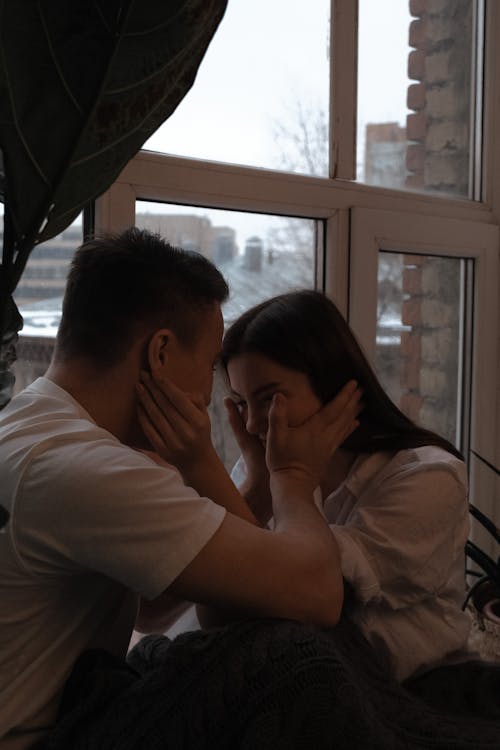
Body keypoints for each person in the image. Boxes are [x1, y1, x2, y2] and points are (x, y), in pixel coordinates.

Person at [0, 229, 362, 749]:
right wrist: (293, 477)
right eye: (212, 363)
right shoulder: (90, 469)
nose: (212, 394)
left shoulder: (31, 423)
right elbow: (318, 596)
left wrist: (252, 483)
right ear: (162, 352)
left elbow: (158, 605)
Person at [214, 289, 474, 684]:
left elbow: (305, 594)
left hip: (422, 688)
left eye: (269, 398)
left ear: (334, 384)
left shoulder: (429, 478)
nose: (252, 426)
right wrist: (256, 487)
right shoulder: (268, 468)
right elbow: (220, 597)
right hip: (318, 689)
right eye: (243, 404)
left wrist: (290, 483)